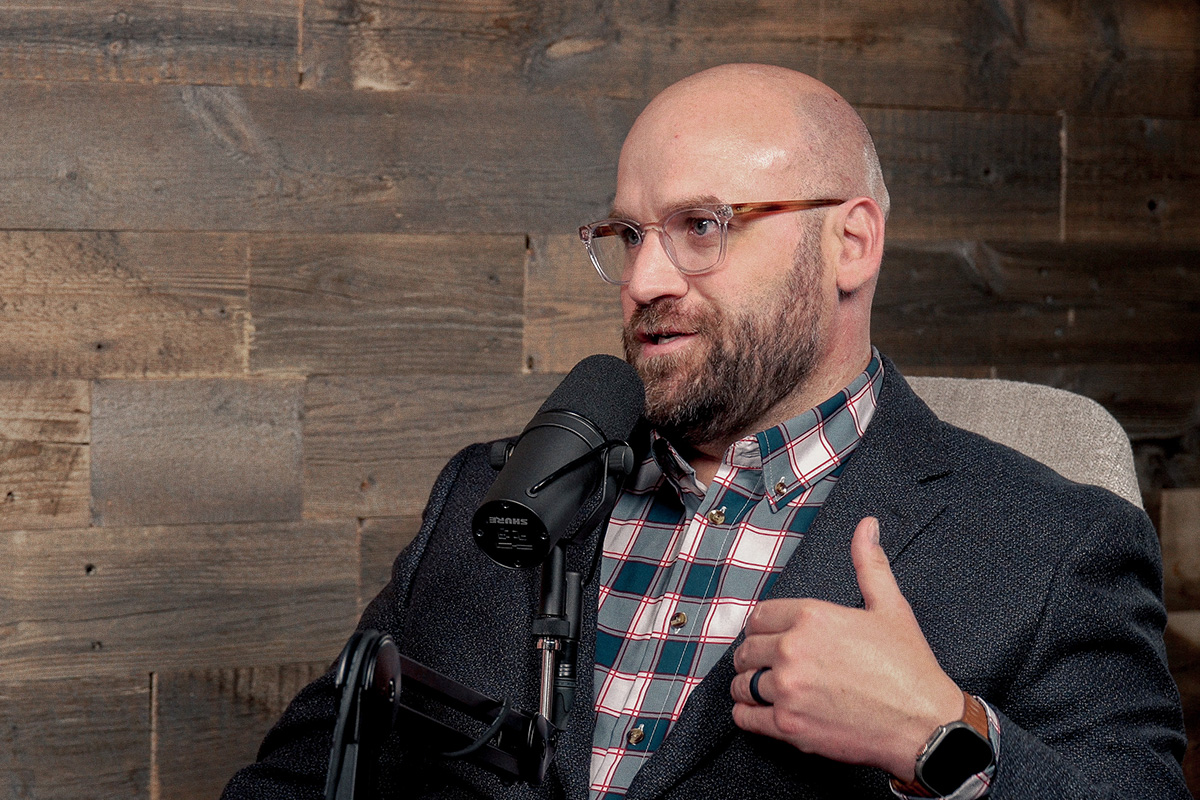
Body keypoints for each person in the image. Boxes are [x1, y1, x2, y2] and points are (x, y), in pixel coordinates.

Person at [223, 64, 1189, 799]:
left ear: (850, 242)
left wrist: (942, 736)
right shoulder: (492, 500)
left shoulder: (1051, 544)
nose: (645, 281)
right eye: (628, 236)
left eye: (704, 226)